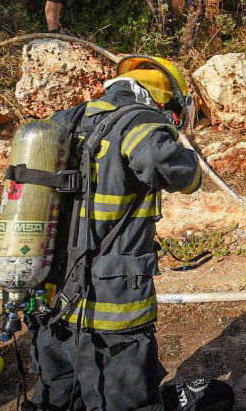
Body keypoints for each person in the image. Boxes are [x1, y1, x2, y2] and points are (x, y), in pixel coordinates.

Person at [29, 55, 229, 410]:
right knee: (124, 396)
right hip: (112, 301)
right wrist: (181, 144)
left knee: (57, 397)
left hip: (53, 298)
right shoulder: (140, 121)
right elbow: (180, 173)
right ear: (165, 101)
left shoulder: (67, 119)